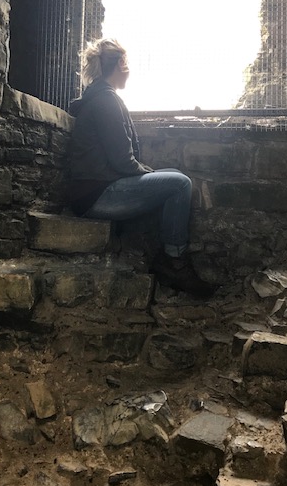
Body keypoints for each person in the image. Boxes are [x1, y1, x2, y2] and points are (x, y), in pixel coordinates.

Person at [68, 38, 213, 295]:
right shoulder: (106, 100)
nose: (129, 70)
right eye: (127, 64)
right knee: (180, 184)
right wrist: (149, 173)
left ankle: (170, 257)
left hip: (98, 188)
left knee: (175, 176)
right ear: (119, 65)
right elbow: (123, 161)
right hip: (97, 195)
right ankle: (174, 262)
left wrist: (151, 174)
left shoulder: (103, 96)